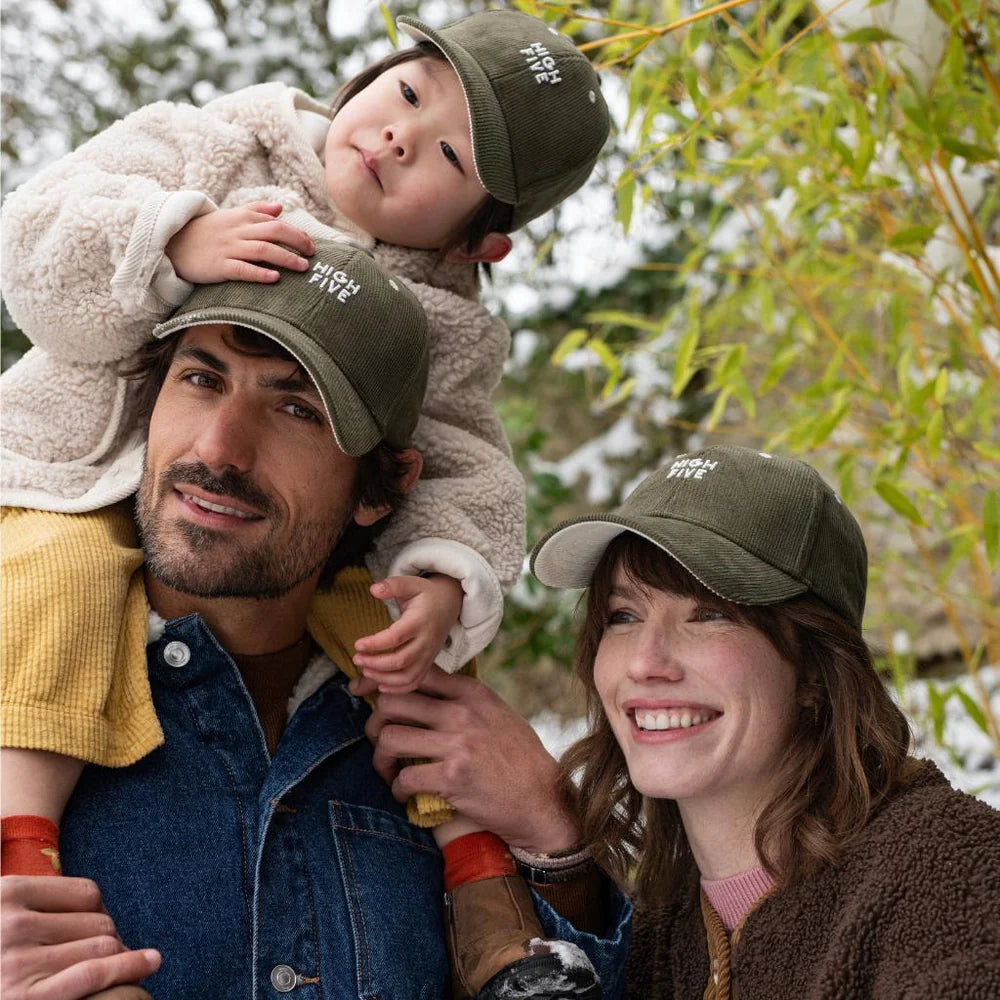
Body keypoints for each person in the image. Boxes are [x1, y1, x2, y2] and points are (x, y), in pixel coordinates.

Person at [1, 8, 611, 993]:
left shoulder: (442, 332)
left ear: (481, 243)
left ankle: (484, 892)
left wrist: (556, 839)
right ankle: (20, 860)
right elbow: (36, 232)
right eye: (201, 377)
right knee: (54, 582)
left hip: (349, 622)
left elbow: (471, 473)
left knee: (403, 652)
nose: (398, 137)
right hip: (59, 485)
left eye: (300, 408)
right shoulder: (218, 147)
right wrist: (174, 236)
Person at [517, 444, 1000, 998]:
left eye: (709, 613)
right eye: (624, 615)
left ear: (814, 667)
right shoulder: (668, 924)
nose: (645, 663)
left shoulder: (952, 875)